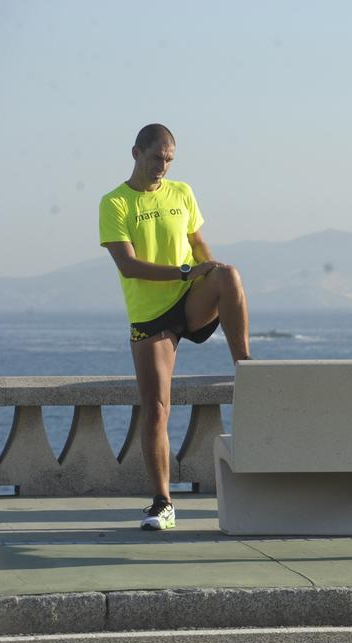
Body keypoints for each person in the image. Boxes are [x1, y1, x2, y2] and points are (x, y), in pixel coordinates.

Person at [99, 123, 252, 531]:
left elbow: (199, 245)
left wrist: (208, 270)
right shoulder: (115, 203)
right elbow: (128, 266)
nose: (162, 167)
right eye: (155, 158)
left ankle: (247, 369)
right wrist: (186, 272)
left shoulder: (181, 192)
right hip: (151, 317)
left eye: (168, 160)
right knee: (157, 409)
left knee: (229, 275)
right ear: (136, 153)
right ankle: (163, 502)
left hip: (189, 298)